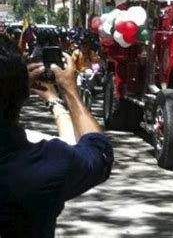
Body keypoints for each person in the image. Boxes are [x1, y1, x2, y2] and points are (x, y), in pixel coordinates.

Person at [0, 34, 113, 237]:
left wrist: (53, 101)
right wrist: (69, 90)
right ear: (24, 92)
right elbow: (99, 152)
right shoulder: (42, 164)